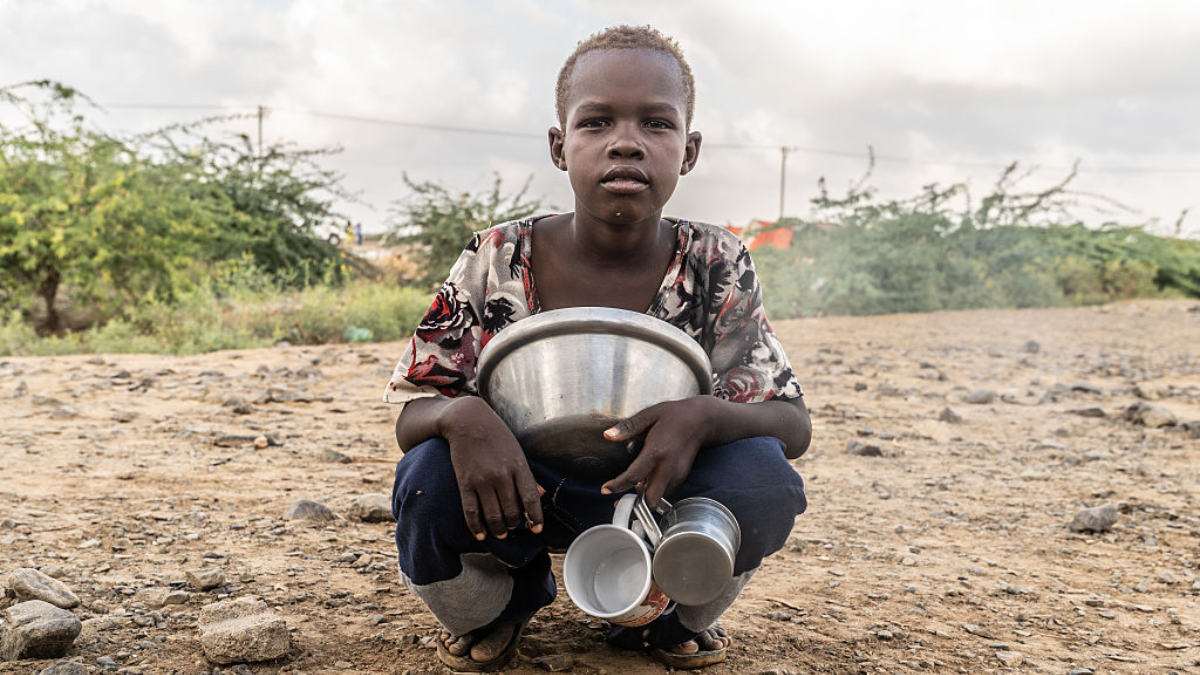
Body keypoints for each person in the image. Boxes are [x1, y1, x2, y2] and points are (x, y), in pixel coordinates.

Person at [383, 25, 811, 671]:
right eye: (597, 122)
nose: (626, 142)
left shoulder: (714, 261)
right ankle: (501, 603)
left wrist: (703, 413)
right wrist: (463, 415)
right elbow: (416, 409)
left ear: (688, 151)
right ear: (560, 146)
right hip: (518, 491)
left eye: (657, 124)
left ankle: (663, 612)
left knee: (764, 476)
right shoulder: (497, 256)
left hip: (661, 491)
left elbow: (790, 422)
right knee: (425, 483)